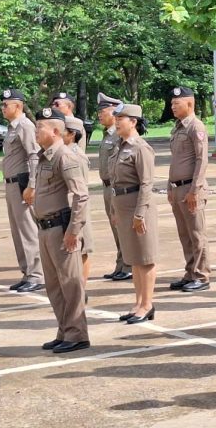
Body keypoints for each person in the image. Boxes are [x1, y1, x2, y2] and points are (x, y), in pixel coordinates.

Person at [23, 108, 90, 354]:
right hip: (45, 228)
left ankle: (77, 334)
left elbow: (81, 196)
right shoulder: (44, 157)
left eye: (40, 127)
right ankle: (64, 331)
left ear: (55, 131)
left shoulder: (65, 156)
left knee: (70, 284)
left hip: (61, 229)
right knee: (54, 286)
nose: (35, 130)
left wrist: (73, 231)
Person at [110, 103, 158, 324]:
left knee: (145, 258)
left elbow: (146, 183)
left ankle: (147, 304)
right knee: (134, 258)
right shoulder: (120, 146)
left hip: (139, 206)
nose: (117, 122)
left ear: (133, 122)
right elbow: (115, 182)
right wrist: (114, 210)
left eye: (121, 118)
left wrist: (139, 214)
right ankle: (139, 303)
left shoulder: (140, 148)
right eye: (116, 118)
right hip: (123, 206)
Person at [167, 86, 211, 293]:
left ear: (190, 103)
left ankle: (201, 275)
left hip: (191, 188)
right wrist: (169, 186)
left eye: (177, 103)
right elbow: (176, 160)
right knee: (185, 235)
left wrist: (195, 190)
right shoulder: (178, 128)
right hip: (178, 188)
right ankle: (190, 272)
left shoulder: (196, 126)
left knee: (197, 234)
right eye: (172, 103)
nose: (173, 107)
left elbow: (202, 160)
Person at [0, 88, 43, 293]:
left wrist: (32, 185)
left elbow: (34, 156)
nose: (2, 108)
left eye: (5, 104)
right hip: (11, 185)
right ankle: (27, 273)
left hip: (22, 184)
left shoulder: (25, 126)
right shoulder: (12, 128)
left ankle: (36, 275)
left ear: (18, 105)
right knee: (18, 232)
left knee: (28, 231)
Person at [97, 92, 131, 281]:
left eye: (103, 111)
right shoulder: (107, 134)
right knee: (115, 228)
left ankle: (128, 265)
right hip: (107, 187)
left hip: (116, 186)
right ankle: (121, 264)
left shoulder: (118, 135)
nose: (99, 115)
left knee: (122, 228)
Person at [64, 116, 94, 285]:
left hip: (78, 207)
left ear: (72, 134)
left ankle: (81, 287)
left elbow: (80, 190)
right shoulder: (64, 153)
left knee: (82, 248)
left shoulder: (77, 156)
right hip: (68, 206)